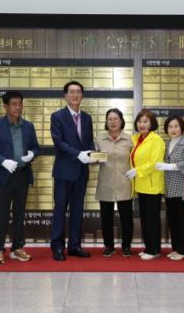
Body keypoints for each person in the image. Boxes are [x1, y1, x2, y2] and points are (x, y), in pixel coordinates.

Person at [0, 91, 40, 264]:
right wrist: (3, 161)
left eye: (20, 104)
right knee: (1, 214)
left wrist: (32, 154)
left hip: (22, 175)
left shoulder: (28, 126)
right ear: (6, 106)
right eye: (14, 104)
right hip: (4, 175)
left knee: (19, 213)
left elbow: (36, 147)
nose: (18, 107)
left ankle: (17, 248)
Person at [50, 81, 95, 261]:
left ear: (82, 95)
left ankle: (75, 245)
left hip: (82, 172)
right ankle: (57, 247)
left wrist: (92, 153)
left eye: (78, 92)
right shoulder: (57, 116)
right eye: (71, 92)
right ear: (65, 96)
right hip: (64, 172)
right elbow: (58, 142)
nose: (75, 95)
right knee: (60, 210)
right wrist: (78, 154)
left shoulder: (87, 118)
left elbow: (89, 141)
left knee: (77, 210)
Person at [94, 108, 134, 257]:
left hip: (125, 183)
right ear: (106, 122)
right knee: (106, 218)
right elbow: (93, 160)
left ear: (121, 121)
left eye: (116, 119)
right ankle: (109, 246)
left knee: (126, 218)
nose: (113, 122)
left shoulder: (129, 139)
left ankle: (126, 246)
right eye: (110, 119)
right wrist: (94, 158)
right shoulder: (99, 139)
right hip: (106, 183)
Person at [156, 115, 184, 261]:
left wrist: (171, 166)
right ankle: (177, 248)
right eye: (170, 127)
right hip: (169, 188)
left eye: (176, 126)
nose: (173, 129)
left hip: (182, 187)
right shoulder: (166, 144)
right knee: (173, 221)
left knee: (183, 220)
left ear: (181, 128)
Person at [128, 109, 165, 260]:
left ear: (152, 123)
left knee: (152, 219)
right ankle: (149, 247)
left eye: (145, 121)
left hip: (152, 186)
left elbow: (155, 162)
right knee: (145, 218)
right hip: (141, 185)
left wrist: (137, 171)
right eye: (139, 121)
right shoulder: (136, 139)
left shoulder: (156, 140)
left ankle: (154, 250)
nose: (142, 124)